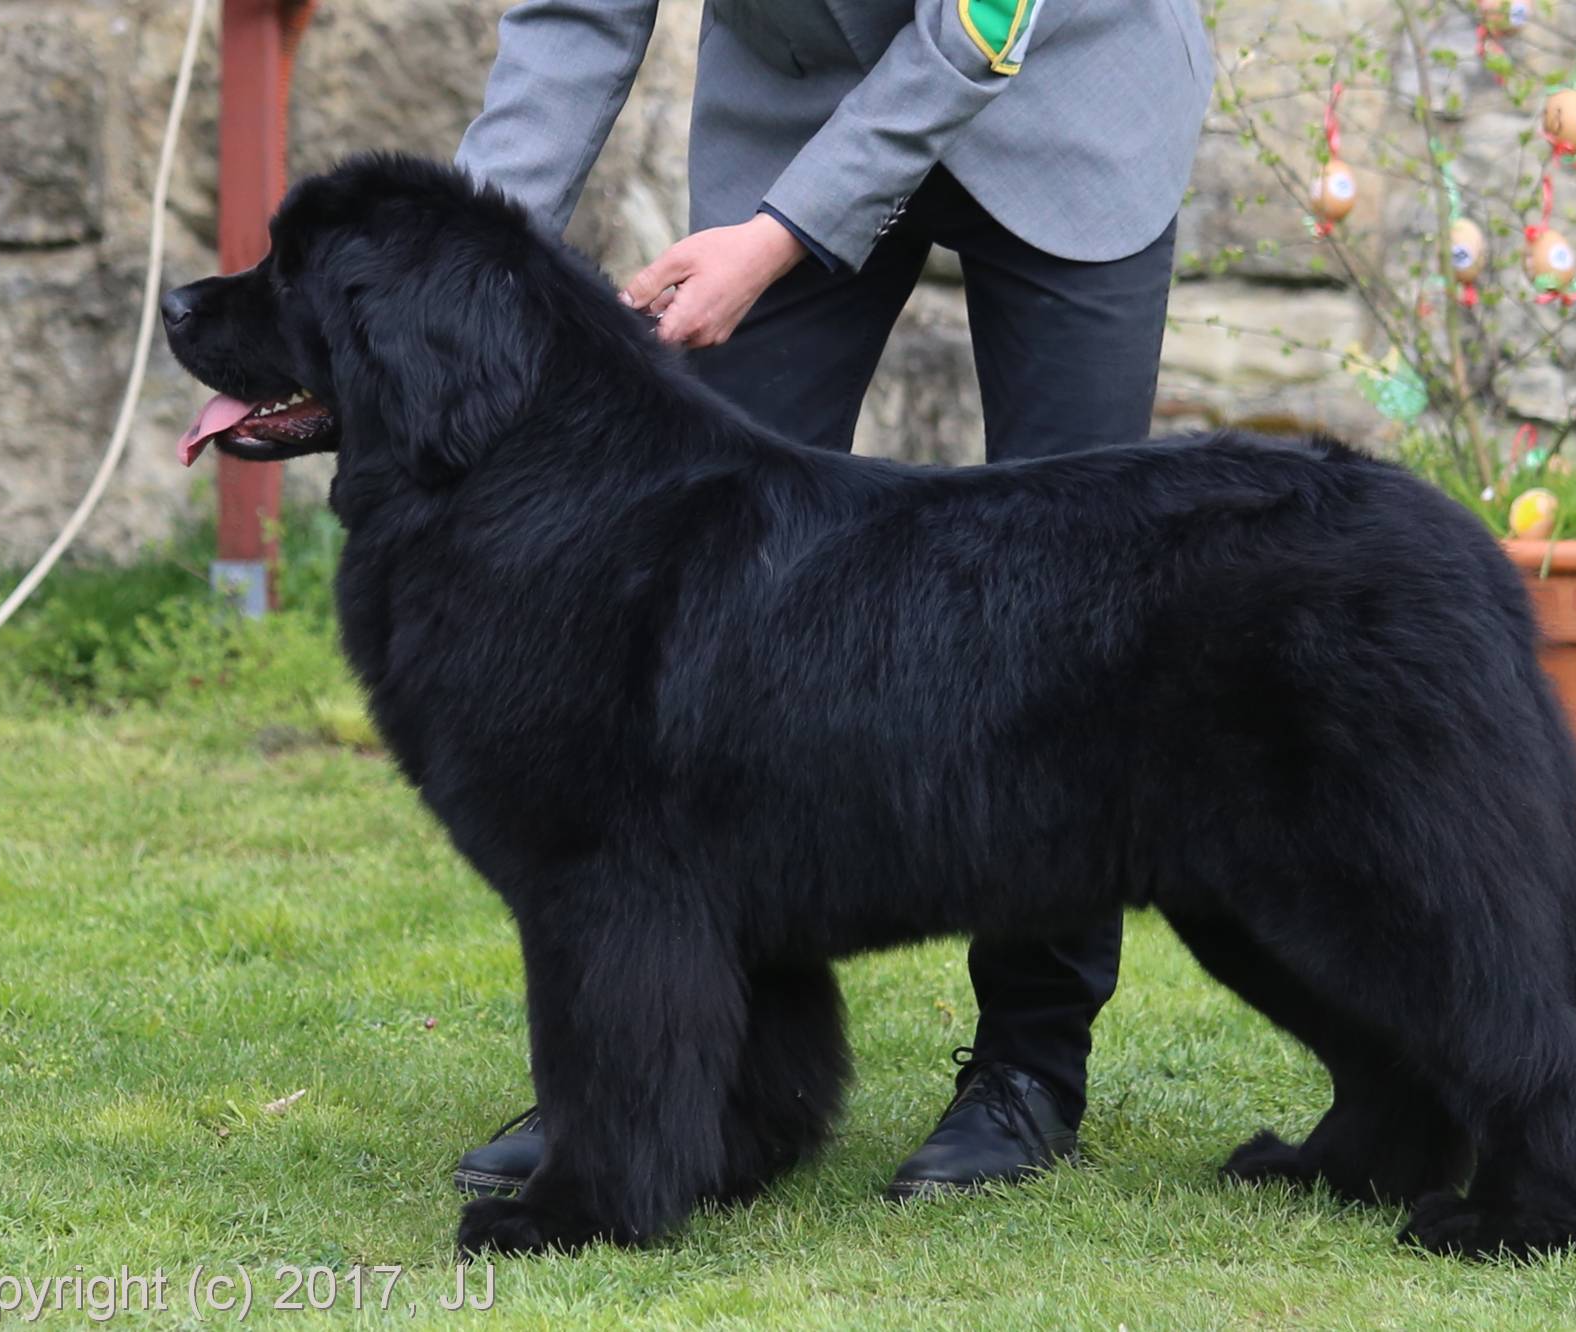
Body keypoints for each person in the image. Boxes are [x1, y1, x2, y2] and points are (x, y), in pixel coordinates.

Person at [449, 0, 1211, 1201]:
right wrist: (458, 257)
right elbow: (575, 20)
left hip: (1067, 96)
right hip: (795, 109)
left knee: (1071, 602)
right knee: (693, 588)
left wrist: (775, 238)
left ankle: (1029, 1067)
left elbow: (980, 24)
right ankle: (656, 1069)